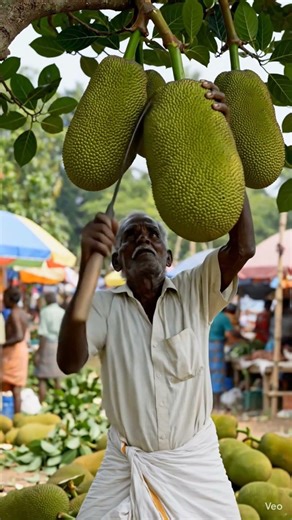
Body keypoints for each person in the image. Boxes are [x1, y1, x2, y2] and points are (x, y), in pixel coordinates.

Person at [58, 82, 255, 520]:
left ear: (169, 257)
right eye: (131, 236)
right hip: (128, 460)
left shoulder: (194, 290)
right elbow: (70, 361)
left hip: (194, 463)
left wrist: (231, 147)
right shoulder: (105, 307)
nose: (143, 239)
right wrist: (85, 269)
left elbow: (241, 249)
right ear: (118, 260)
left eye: (153, 234)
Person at [2, 287, 29, 414]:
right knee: (16, 389)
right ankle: (16, 418)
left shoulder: (14, 313)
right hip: (21, 350)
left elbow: (18, 335)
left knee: (7, 383)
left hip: (13, 352)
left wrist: (3, 344)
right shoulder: (22, 312)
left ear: (9, 299)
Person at [34, 292, 65, 403]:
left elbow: (43, 334)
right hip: (59, 345)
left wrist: (38, 353)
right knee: (57, 377)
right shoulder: (62, 312)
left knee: (42, 377)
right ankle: (58, 403)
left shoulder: (45, 312)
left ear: (47, 300)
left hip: (48, 345)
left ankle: (41, 403)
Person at [209, 309, 233, 408]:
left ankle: (210, 403)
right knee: (218, 373)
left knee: (208, 372)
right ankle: (217, 404)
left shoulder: (209, 314)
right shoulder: (223, 317)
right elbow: (229, 334)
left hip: (206, 346)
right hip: (217, 346)